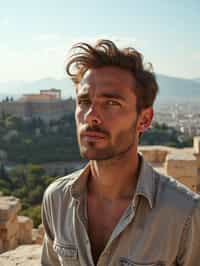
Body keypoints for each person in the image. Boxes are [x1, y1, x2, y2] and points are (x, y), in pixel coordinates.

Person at [41, 39, 200, 266]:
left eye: (111, 103)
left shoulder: (185, 214)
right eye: (84, 101)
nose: (90, 115)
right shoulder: (56, 199)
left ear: (144, 119)